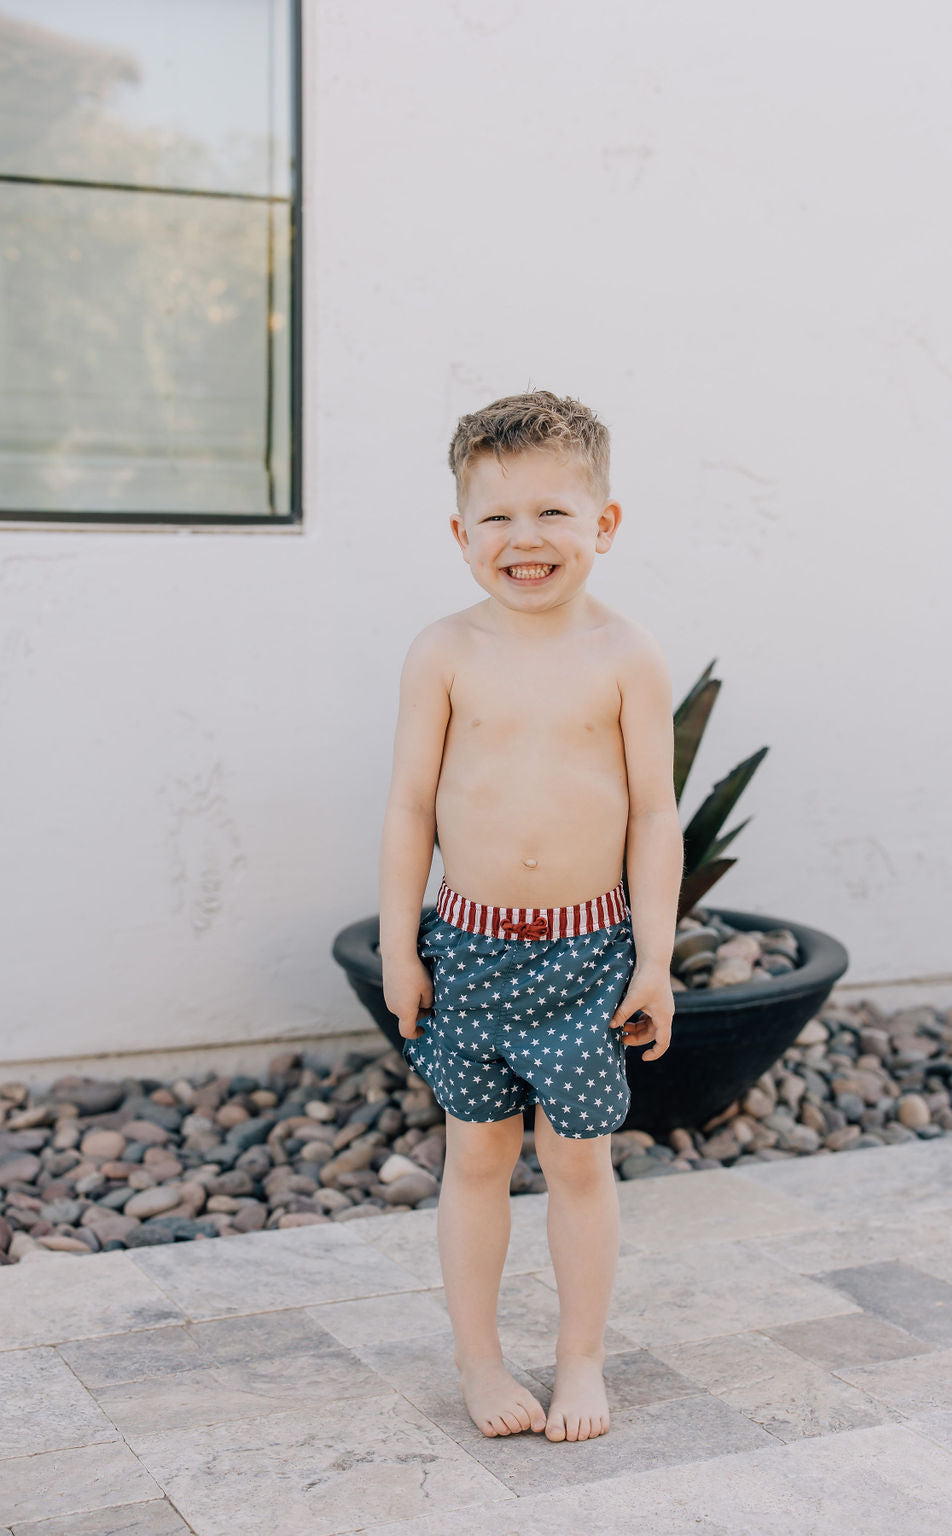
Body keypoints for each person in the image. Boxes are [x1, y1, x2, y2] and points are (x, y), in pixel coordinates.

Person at [378, 389, 683, 1444]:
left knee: (578, 1160)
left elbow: (653, 815)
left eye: (553, 513)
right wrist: (397, 946)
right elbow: (411, 805)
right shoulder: (444, 652)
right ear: (461, 535)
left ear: (602, 525)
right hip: (467, 953)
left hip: (590, 957)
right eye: (498, 518)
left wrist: (655, 959)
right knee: (474, 1155)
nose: (525, 540)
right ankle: (478, 1361)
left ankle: (582, 1359)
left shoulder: (626, 656)